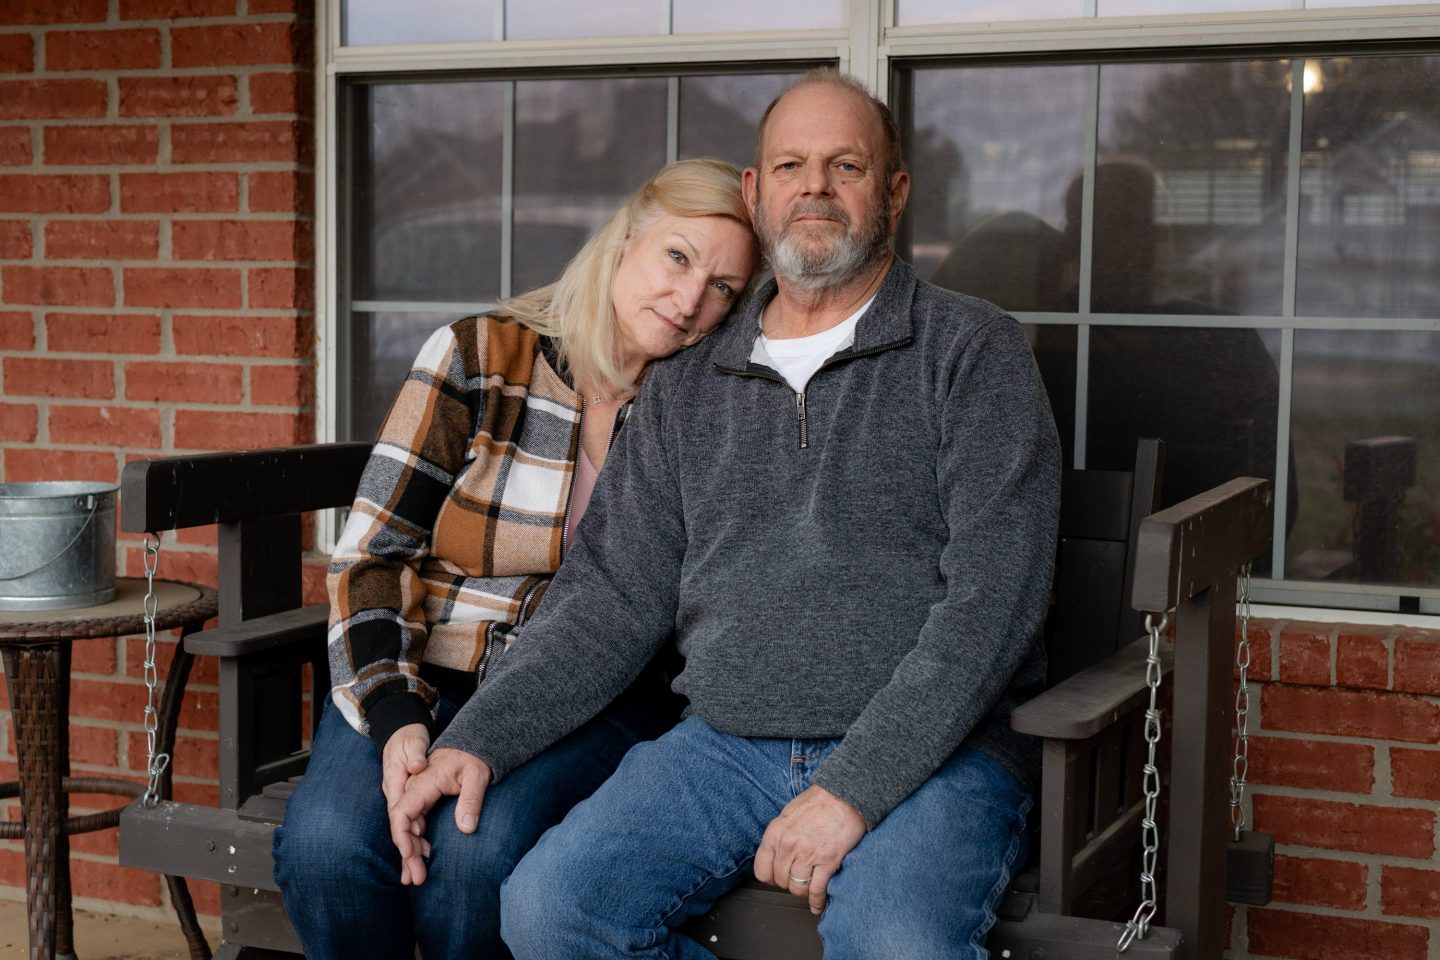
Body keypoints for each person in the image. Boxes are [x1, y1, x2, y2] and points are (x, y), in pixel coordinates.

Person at [391, 69, 1061, 959]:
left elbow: (994, 604)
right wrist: (477, 740)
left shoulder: (971, 353)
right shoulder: (690, 385)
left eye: (846, 165)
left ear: (894, 192)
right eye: (789, 164)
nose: (814, 186)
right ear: (756, 193)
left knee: (896, 942)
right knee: (554, 910)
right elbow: (610, 595)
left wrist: (853, 789)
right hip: (725, 746)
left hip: (940, 754)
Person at [270, 157, 758, 960]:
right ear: (627, 238)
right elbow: (373, 554)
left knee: (474, 858)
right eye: (678, 257)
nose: (689, 300)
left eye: (724, 289)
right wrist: (397, 720)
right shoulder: (481, 355)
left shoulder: (707, 407)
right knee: (328, 851)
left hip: (590, 696)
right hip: (423, 666)